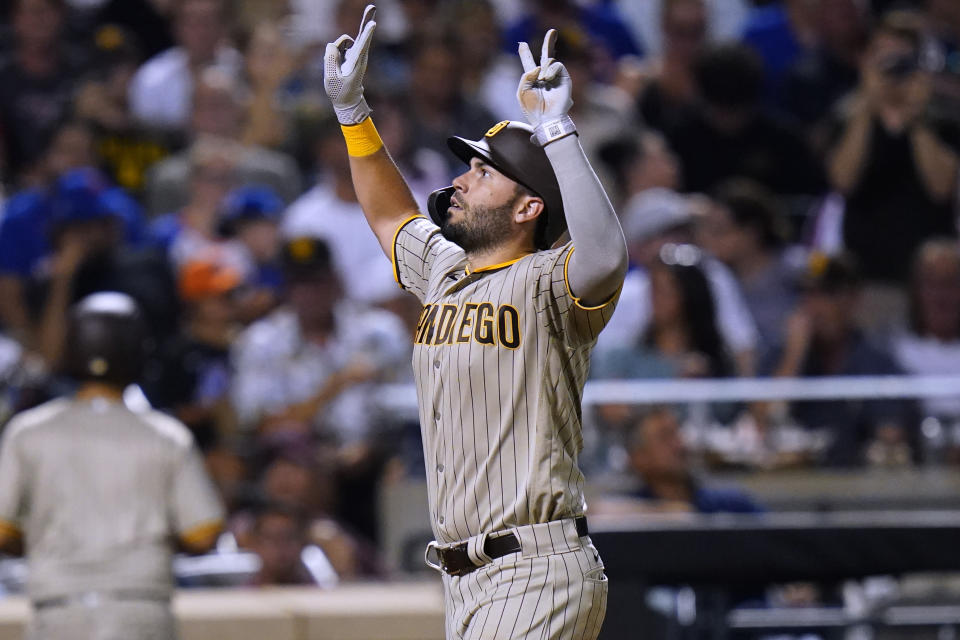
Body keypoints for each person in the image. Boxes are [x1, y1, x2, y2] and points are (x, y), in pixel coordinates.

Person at [324, 7, 627, 638]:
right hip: (467, 580)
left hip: (536, 566)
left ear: (529, 206)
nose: (461, 179)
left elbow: (605, 255)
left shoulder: (549, 281)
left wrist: (557, 133)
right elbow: (390, 218)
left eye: (484, 172)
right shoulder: (445, 269)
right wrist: (354, 116)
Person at [0, 291, 225, 639]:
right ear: (139, 352)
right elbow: (204, 531)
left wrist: (42, 537)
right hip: (140, 609)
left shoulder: (29, 431)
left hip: (59, 608)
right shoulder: (165, 434)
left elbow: (2, 528)